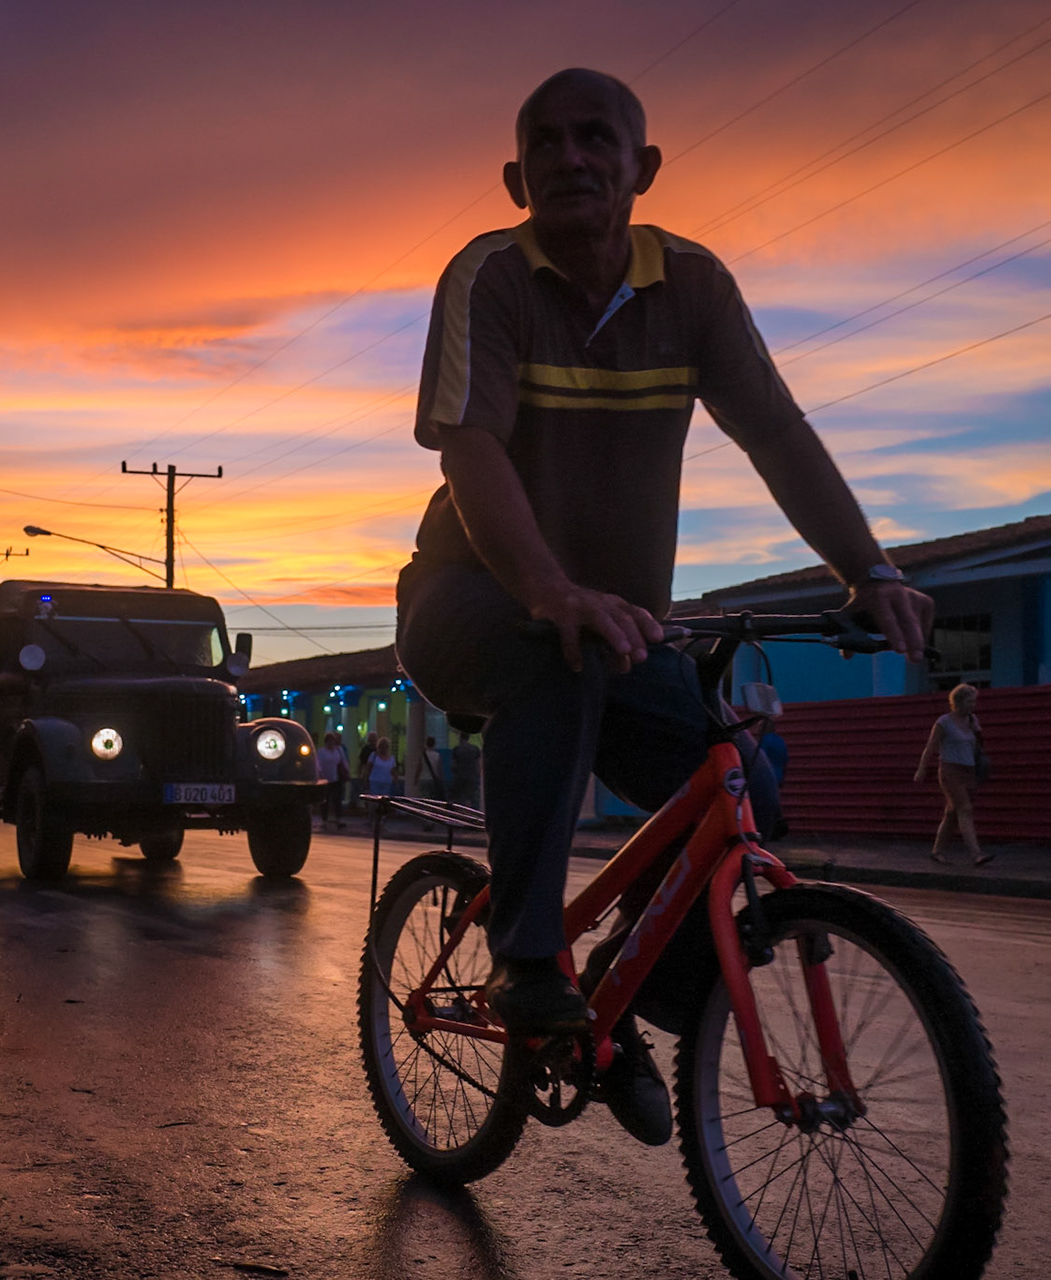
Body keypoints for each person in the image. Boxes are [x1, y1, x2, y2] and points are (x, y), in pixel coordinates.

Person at [393, 68, 933, 1035]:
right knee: (547, 666)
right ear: (516, 181)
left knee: (742, 784)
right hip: (467, 598)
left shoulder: (693, 286)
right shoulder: (493, 277)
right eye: (547, 143)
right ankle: (524, 961)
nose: (572, 157)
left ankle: (632, 992)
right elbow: (470, 445)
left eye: (595, 138)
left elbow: (775, 433)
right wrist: (549, 589)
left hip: (618, 624)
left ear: (641, 167)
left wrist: (871, 569)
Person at [914, 684, 992, 867]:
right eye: (969, 701)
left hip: (969, 770)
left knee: (952, 813)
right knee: (965, 809)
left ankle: (937, 851)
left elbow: (978, 746)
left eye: (974, 701)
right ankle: (976, 854)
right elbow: (931, 746)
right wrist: (922, 768)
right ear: (958, 702)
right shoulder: (944, 722)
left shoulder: (973, 720)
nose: (973, 705)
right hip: (950, 771)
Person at [313, 730, 348, 830]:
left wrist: (346, 771)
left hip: (336, 778)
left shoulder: (338, 750)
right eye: (329, 741)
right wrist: (319, 773)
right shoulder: (321, 752)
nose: (331, 743)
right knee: (325, 800)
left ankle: (338, 818)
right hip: (325, 779)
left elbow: (343, 762)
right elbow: (317, 764)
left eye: (333, 741)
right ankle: (324, 820)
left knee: (337, 799)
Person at [449, 731, 482, 809]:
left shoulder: (457, 749)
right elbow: (478, 764)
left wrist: (454, 771)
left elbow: (453, 764)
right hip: (472, 777)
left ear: (460, 737)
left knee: (456, 797)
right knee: (469, 798)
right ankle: (468, 813)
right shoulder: (475, 749)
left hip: (459, 776)